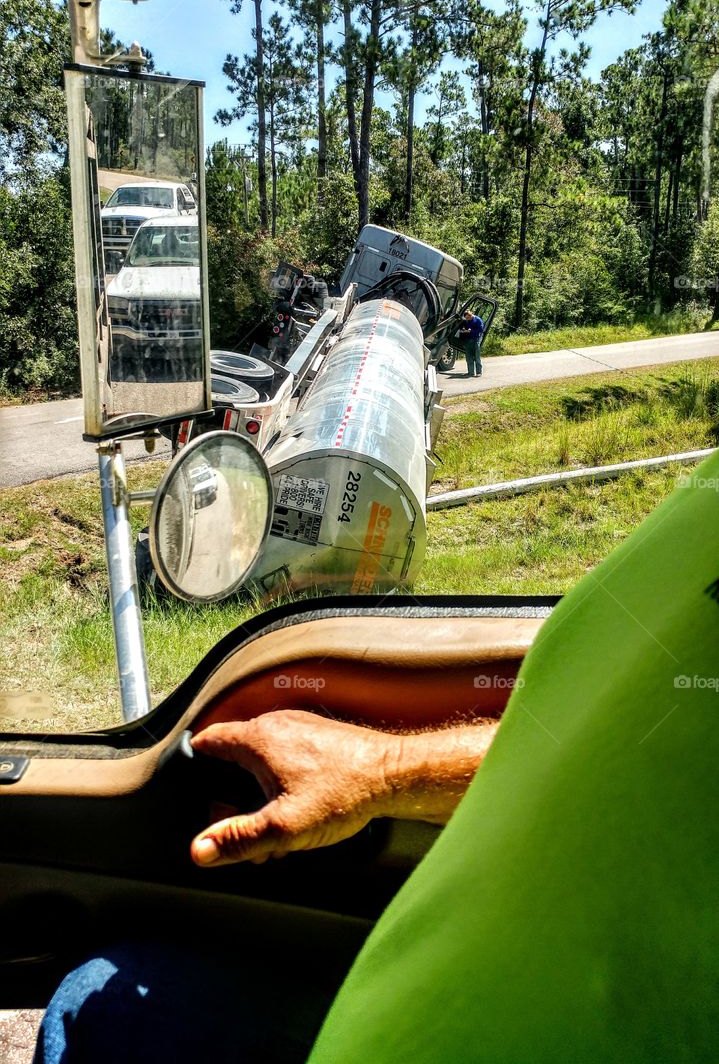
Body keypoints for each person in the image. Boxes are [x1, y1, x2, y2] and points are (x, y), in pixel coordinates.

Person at [34, 449, 719, 1063]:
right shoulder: (703, 498)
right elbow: (616, 741)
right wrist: (387, 770)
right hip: (418, 1000)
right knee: (98, 998)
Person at [458, 308, 484, 377]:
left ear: (470, 315)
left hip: (476, 340)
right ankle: (470, 372)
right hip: (468, 340)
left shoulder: (478, 320)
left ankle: (479, 372)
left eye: (467, 318)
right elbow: (462, 327)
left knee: (477, 357)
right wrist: (463, 330)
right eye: (466, 318)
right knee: (468, 357)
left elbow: (481, 329)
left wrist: (471, 331)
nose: (467, 320)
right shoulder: (466, 321)